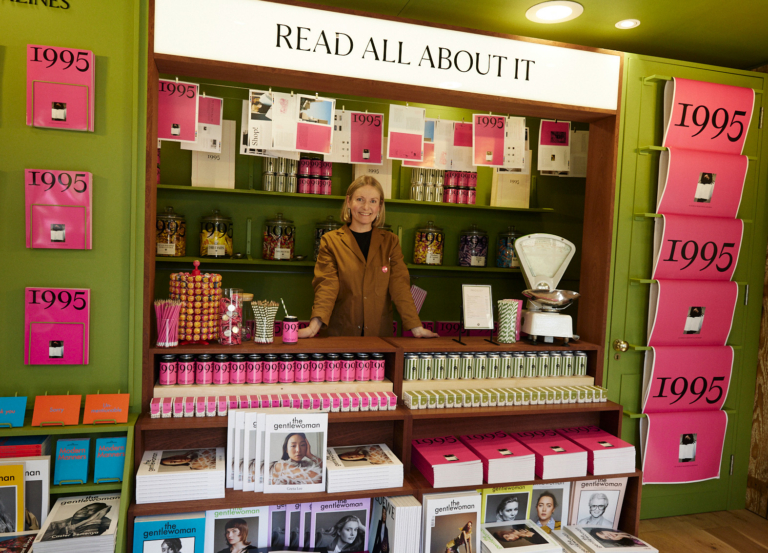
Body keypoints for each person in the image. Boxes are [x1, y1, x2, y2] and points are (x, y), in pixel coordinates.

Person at [299, 176, 439, 339]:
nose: (366, 207)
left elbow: (399, 286)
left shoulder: (390, 242)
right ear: (349, 201)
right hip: (341, 334)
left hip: (380, 336)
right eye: (360, 199)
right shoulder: (331, 241)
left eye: (373, 201)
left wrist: (416, 327)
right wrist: (313, 327)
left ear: (380, 206)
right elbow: (327, 286)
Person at [41, 501, 112, 539]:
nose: (85, 511)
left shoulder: (101, 522)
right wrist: (88, 520)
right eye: (85, 508)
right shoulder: (54, 525)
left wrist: (94, 520)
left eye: (92, 510)